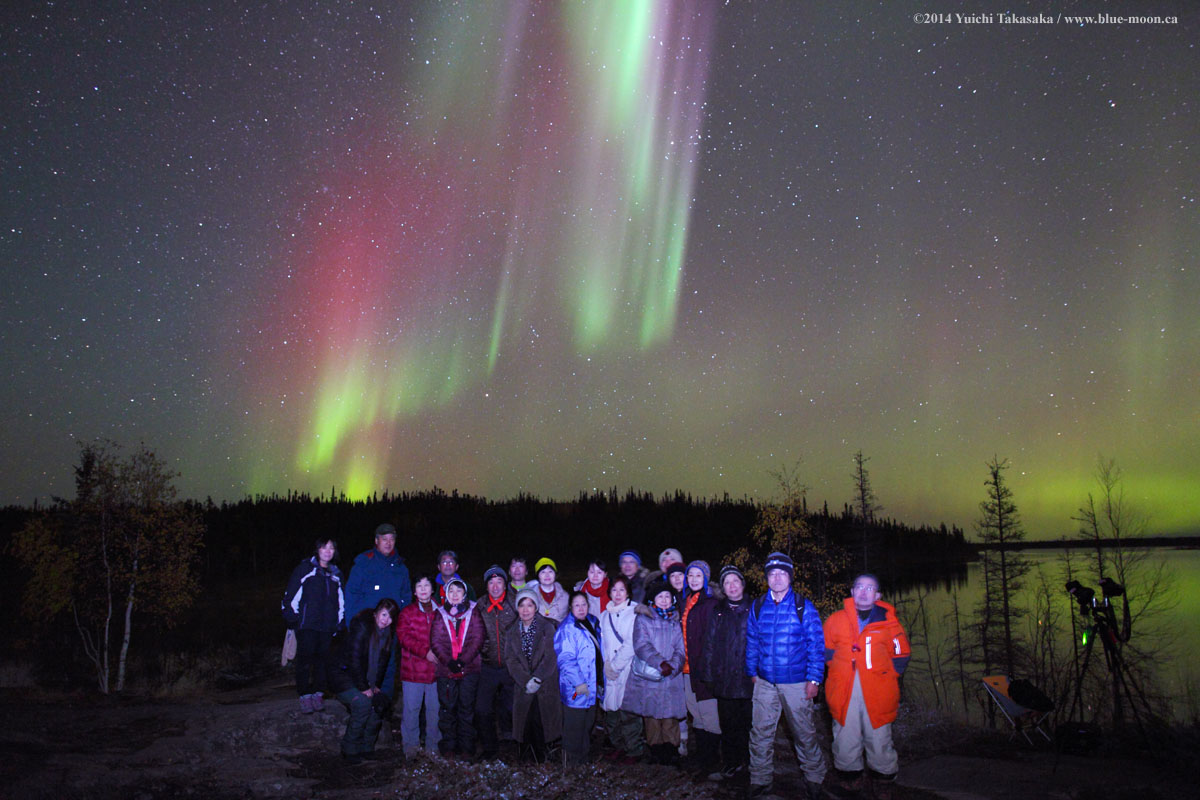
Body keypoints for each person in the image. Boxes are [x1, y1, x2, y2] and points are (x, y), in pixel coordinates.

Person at [745, 552, 827, 799]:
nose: (777, 578)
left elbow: (816, 645)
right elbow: (752, 641)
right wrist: (752, 671)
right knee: (760, 733)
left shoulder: (804, 606)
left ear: (790, 577)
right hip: (765, 683)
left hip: (797, 683)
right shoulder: (758, 606)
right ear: (767, 577)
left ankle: (814, 778)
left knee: (804, 734)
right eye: (772, 573)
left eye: (782, 573)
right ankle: (760, 780)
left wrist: (814, 679)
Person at [824, 574, 911, 799]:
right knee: (845, 736)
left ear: (878, 595)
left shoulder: (889, 622)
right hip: (843, 689)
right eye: (859, 587)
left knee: (879, 737)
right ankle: (850, 780)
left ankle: (883, 781)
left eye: (870, 588)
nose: (863, 592)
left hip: (879, 691)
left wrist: (886, 676)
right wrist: (840, 672)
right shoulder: (835, 620)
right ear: (852, 591)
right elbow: (826, 651)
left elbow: (901, 654)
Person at [697, 565, 754, 782]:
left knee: (749, 725)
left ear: (742, 584)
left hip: (749, 679)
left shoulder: (755, 608)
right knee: (728, 725)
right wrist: (708, 675)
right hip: (725, 679)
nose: (732, 586)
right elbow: (709, 644)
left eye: (735, 581)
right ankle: (731, 763)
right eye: (727, 582)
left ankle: (751, 764)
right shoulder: (718, 611)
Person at [622, 578, 686, 765]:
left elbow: (681, 648)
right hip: (651, 674)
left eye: (667, 596)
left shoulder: (675, 620)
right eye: (660, 596)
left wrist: (673, 666)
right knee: (651, 717)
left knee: (670, 716)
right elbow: (641, 645)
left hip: (671, 676)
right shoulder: (643, 619)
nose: (664, 600)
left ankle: (671, 751)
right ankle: (656, 751)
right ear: (653, 599)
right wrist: (660, 663)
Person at [344, 523, 411, 700]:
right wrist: (352, 625)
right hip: (367, 629)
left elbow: (406, 596)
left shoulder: (400, 567)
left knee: (387, 667)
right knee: (363, 666)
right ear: (376, 541)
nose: (388, 543)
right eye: (384, 539)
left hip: (390, 628)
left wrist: (402, 625)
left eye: (391, 539)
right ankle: (363, 706)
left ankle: (383, 706)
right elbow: (351, 595)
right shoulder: (364, 564)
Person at [328, 598, 399, 763]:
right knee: (363, 703)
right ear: (376, 613)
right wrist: (364, 688)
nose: (386, 620)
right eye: (384, 614)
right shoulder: (362, 627)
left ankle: (367, 747)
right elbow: (354, 660)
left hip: (364, 679)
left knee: (378, 705)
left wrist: (375, 686)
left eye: (390, 617)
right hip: (343, 676)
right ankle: (349, 748)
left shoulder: (387, 635)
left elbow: (381, 665)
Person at [282, 538, 344, 714]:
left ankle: (318, 693)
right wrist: (292, 617)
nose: (328, 551)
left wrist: (340, 621)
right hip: (307, 624)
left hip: (327, 626)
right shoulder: (305, 569)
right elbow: (290, 595)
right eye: (324, 548)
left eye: (331, 548)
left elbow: (341, 600)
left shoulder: (336, 574)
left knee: (322, 661)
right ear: (317, 550)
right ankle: (304, 694)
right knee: (304, 660)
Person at [504, 588, 562, 762]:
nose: (525, 610)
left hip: (544, 683)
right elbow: (511, 659)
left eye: (530, 605)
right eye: (521, 605)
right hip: (523, 685)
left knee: (542, 721)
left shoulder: (547, 627)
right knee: (525, 721)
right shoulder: (512, 631)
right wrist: (525, 680)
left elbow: (550, 657)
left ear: (536, 607)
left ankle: (545, 757)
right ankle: (526, 758)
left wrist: (537, 678)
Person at [430, 577, 484, 757]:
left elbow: (478, 637)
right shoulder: (440, 613)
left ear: (464, 594)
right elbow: (435, 640)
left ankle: (467, 747)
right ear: (446, 594)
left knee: (466, 709)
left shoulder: (474, 611)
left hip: (469, 669)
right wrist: (449, 662)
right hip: (446, 670)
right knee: (447, 709)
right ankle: (449, 748)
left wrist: (463, 661)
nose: (455, 595)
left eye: (458, 591)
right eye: (451, 591)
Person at [599, 575, 644, 763]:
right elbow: (603, 643)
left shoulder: (634, 613)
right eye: (614, 590)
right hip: (610, 671)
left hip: (627, 670)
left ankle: (634, 749)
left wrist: (616, 666)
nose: (617, 594)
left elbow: (632, 643)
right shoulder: (604, 615)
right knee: (612, 712)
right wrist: (606, 664)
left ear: (628, 592)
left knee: (629, 713)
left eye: (622, 590)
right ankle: (619, 746)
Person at [681, 560, 721, 771]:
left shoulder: (710, 604)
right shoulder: (686, 600)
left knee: (709, 715)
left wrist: (709, 669)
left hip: (704, 671)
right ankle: (702, 756)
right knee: (695, 713)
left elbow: (713, 641)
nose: (694, 579)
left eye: (698, 575)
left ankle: (712, 761)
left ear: (705, 578)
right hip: (687, 669)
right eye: (690, 575)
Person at [555, 591, 603, 764]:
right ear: (570, 607)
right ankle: (570, 764)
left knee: (587, 725)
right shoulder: (567, 628)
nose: (581, 608)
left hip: (592, 685)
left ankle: (583, 761)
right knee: (574, 727)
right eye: (577, 605)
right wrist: (579, 683)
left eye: (584, 604)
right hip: (575, 688)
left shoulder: (592, 622)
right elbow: (566, 659)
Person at [396, 574, 441, 757]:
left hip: (436, 671)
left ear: (432, 589)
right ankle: (411, 749)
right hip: (412, 671)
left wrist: (440, 653)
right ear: (414, 591)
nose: (423, 589)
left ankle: (433, 748)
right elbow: (403, 636)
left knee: (435, 711)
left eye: (426, 585)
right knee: (411, 710)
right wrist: (425, 652)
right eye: (419, 586)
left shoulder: (441, 611)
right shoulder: (407, 612)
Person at [476, 565, 517, 760]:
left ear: (505, 584)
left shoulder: (515, 603)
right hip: (488, 665)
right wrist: (482, 647)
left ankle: (514, 742)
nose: (495, 586)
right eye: (491, 582)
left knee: (512, 707)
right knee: (482, 709)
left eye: (499, 582)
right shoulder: (479, 606)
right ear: (486, 586)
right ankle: (489, 747)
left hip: (510, 665)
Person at [532, 557, 569, 622]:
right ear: (538, 575)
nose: (547, 575)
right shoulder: (531, 596)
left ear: (555, 574)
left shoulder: (565, 596)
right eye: (543, 572)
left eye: (550, 571)